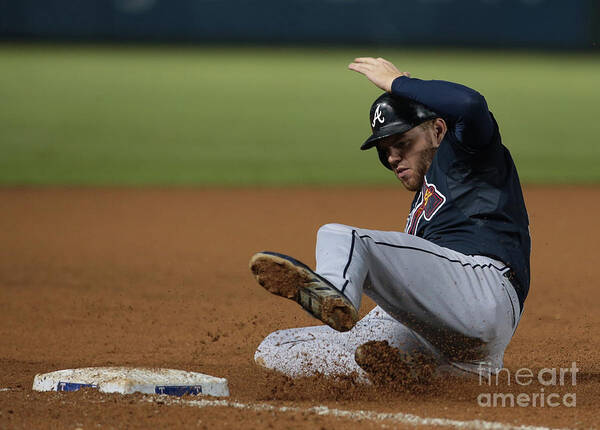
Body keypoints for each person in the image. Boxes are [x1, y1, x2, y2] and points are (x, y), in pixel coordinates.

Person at [249, 57, 530, 384]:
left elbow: (470, 104)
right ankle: (412, 371)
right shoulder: (425, 201)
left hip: (482, 289)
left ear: (437, 130)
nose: (393, 157)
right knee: (275, 348)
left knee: (343, 238)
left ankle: (334, 295)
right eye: (385, 150)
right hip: (457, 342)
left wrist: (398, 83)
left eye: (402, 143)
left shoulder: (466, 153)